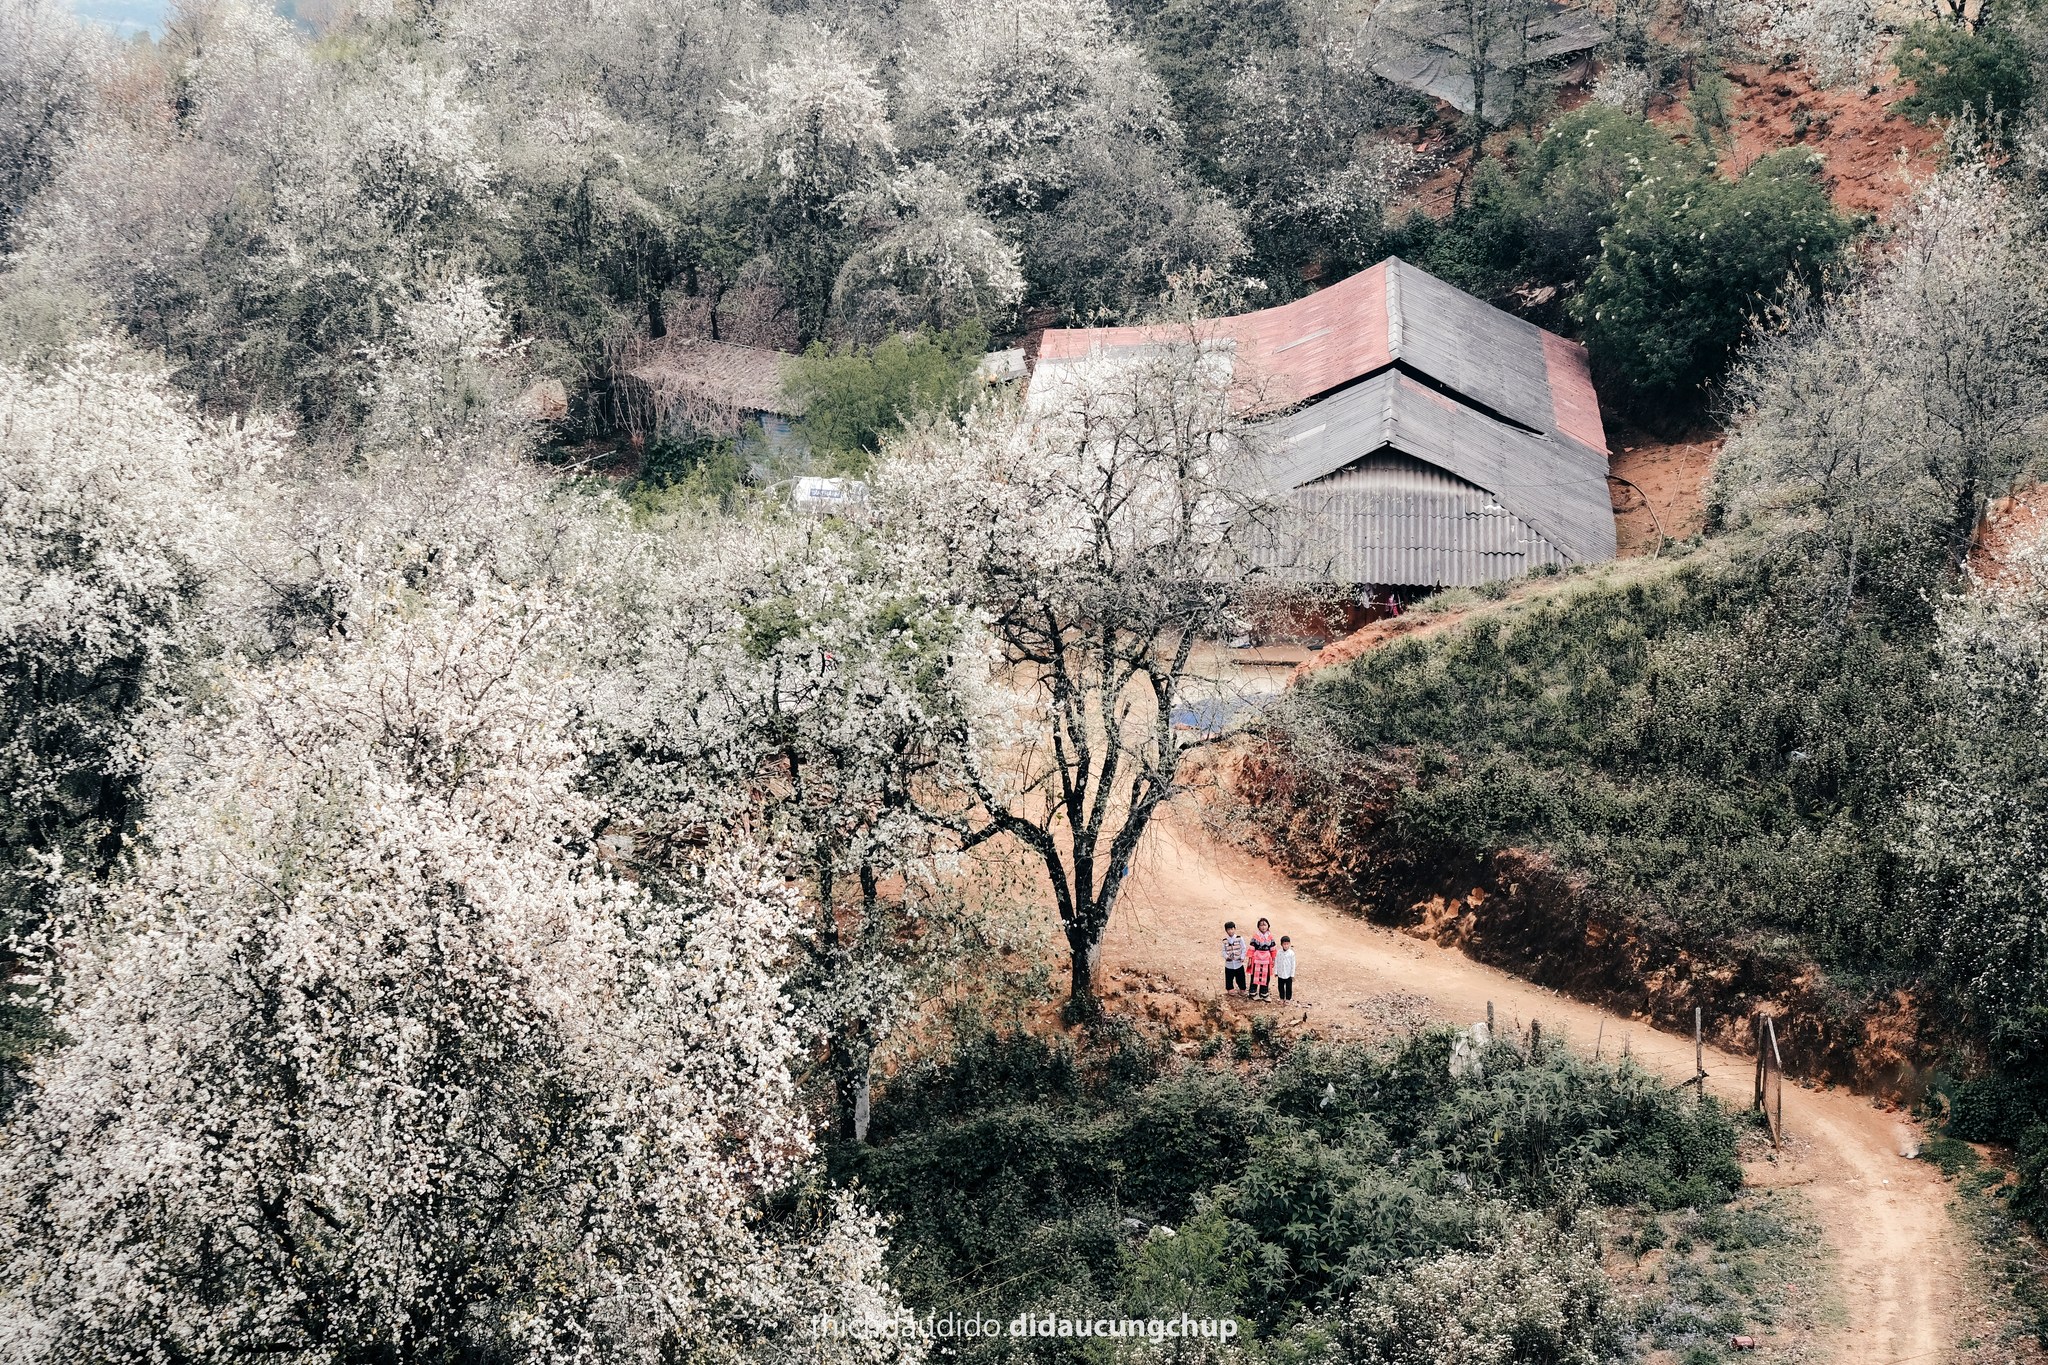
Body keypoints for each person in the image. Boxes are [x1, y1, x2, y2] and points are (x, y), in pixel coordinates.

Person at [1247, 918, 1277, 1000]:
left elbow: (1273, 949)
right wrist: (1250, 959)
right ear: (1258, 927)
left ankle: (1264, 993)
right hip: (1256, 959)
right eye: (1261, 925)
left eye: (1265, 925)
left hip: (1267, 959)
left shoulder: (1270, 937)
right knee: (1254, 976)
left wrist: (1273, 959)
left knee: (1266, 976)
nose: (1263, 927)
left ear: (1268, 926)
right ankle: (1253, 993)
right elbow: (1251, 948)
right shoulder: (1255, 936)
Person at [1221, 921, 1246, 995]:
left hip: (1238, 963)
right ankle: (1230, 989)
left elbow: (1243, 948)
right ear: (1226, 931)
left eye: (1232, 929)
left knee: (1240, 976)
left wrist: (1242, 957)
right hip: (1229, 964)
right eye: (1228, 929)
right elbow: (1223, 951)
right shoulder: (1225, 941)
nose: (1230, 931)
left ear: (1235, 929)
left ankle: (1242, 988)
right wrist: (1226, 957)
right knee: (1229, 977)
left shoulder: (1239, 938)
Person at [1275, 936, 1296, 1002]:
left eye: (1287, 944)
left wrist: (1292, 974)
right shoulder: (1279, 952)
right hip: (1281, 973)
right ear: (1281, 944)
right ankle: (1281, 997)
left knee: (1288, 987)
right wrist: (1276, 972)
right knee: (1280, 986)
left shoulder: (1291, 953)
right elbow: (1276, 962)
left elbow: (1293, 964)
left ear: (1289, 944)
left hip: (1288, 974)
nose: (1286, 946)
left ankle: (1288, 998)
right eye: (1284, 944)